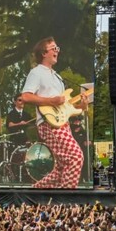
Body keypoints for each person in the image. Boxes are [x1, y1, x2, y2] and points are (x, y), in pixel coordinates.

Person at [19, 35, 87, 189]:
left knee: (61, 168)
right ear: (44, 53)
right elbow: (26, 96)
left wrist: (82, 106)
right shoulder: (36, 72)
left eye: (57, 48)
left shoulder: (57, 77)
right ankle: (65, 199)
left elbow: (65, 107)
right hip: (49, 122)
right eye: (54, 48)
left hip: (62, 122)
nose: (57, 51)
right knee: (76, 157)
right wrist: (51, 101)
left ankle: (34, 192)